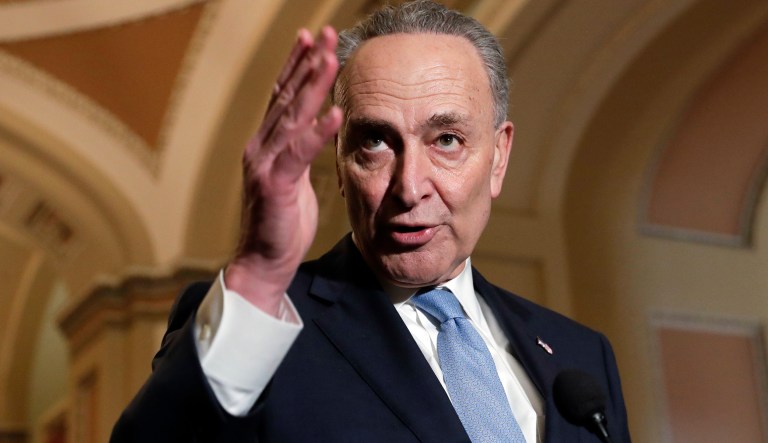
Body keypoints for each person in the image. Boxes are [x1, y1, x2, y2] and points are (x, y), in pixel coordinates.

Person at [112, 1, 631, 442]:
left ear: (498, 157)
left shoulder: (581, 355)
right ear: (339, 161)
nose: (409, 187)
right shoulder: (262, 321)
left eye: (446, 140)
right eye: (375, 142)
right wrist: (259, 271)